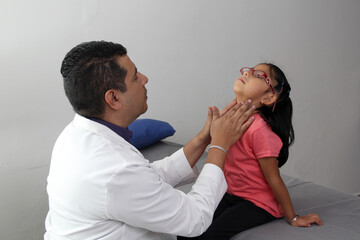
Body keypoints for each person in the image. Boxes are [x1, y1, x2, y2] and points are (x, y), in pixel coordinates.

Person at [44, 40, 256, 240]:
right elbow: (195, 219)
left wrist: (204, 139)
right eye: (135, 76)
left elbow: (145, 178)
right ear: (114, 98)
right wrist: (220, 146)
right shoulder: (116, 169)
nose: (145, 79)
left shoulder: (73, 135)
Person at [178, 63, 323, 240]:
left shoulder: (259, 131)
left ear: (269, 98)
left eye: (258, 75)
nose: (247, 72)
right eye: (249, 70)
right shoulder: (229, 117)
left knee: (208, 236)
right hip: (231, 193)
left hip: (257, 203)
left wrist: (293, 217)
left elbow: (274, 178)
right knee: (187, 229)